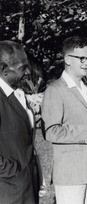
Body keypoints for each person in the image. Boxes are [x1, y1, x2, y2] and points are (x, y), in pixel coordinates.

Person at [41, 36, 87, 204]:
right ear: (67, 59)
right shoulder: (55, 90)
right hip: (70, 174)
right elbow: (50, 131)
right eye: (82, 58)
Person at [0, 40, 38, 203]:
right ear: (3, 69)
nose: (28, 71)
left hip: (26, 187)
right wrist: (14, 171)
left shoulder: (16, 94)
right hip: (9, 192)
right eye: (22, 67)